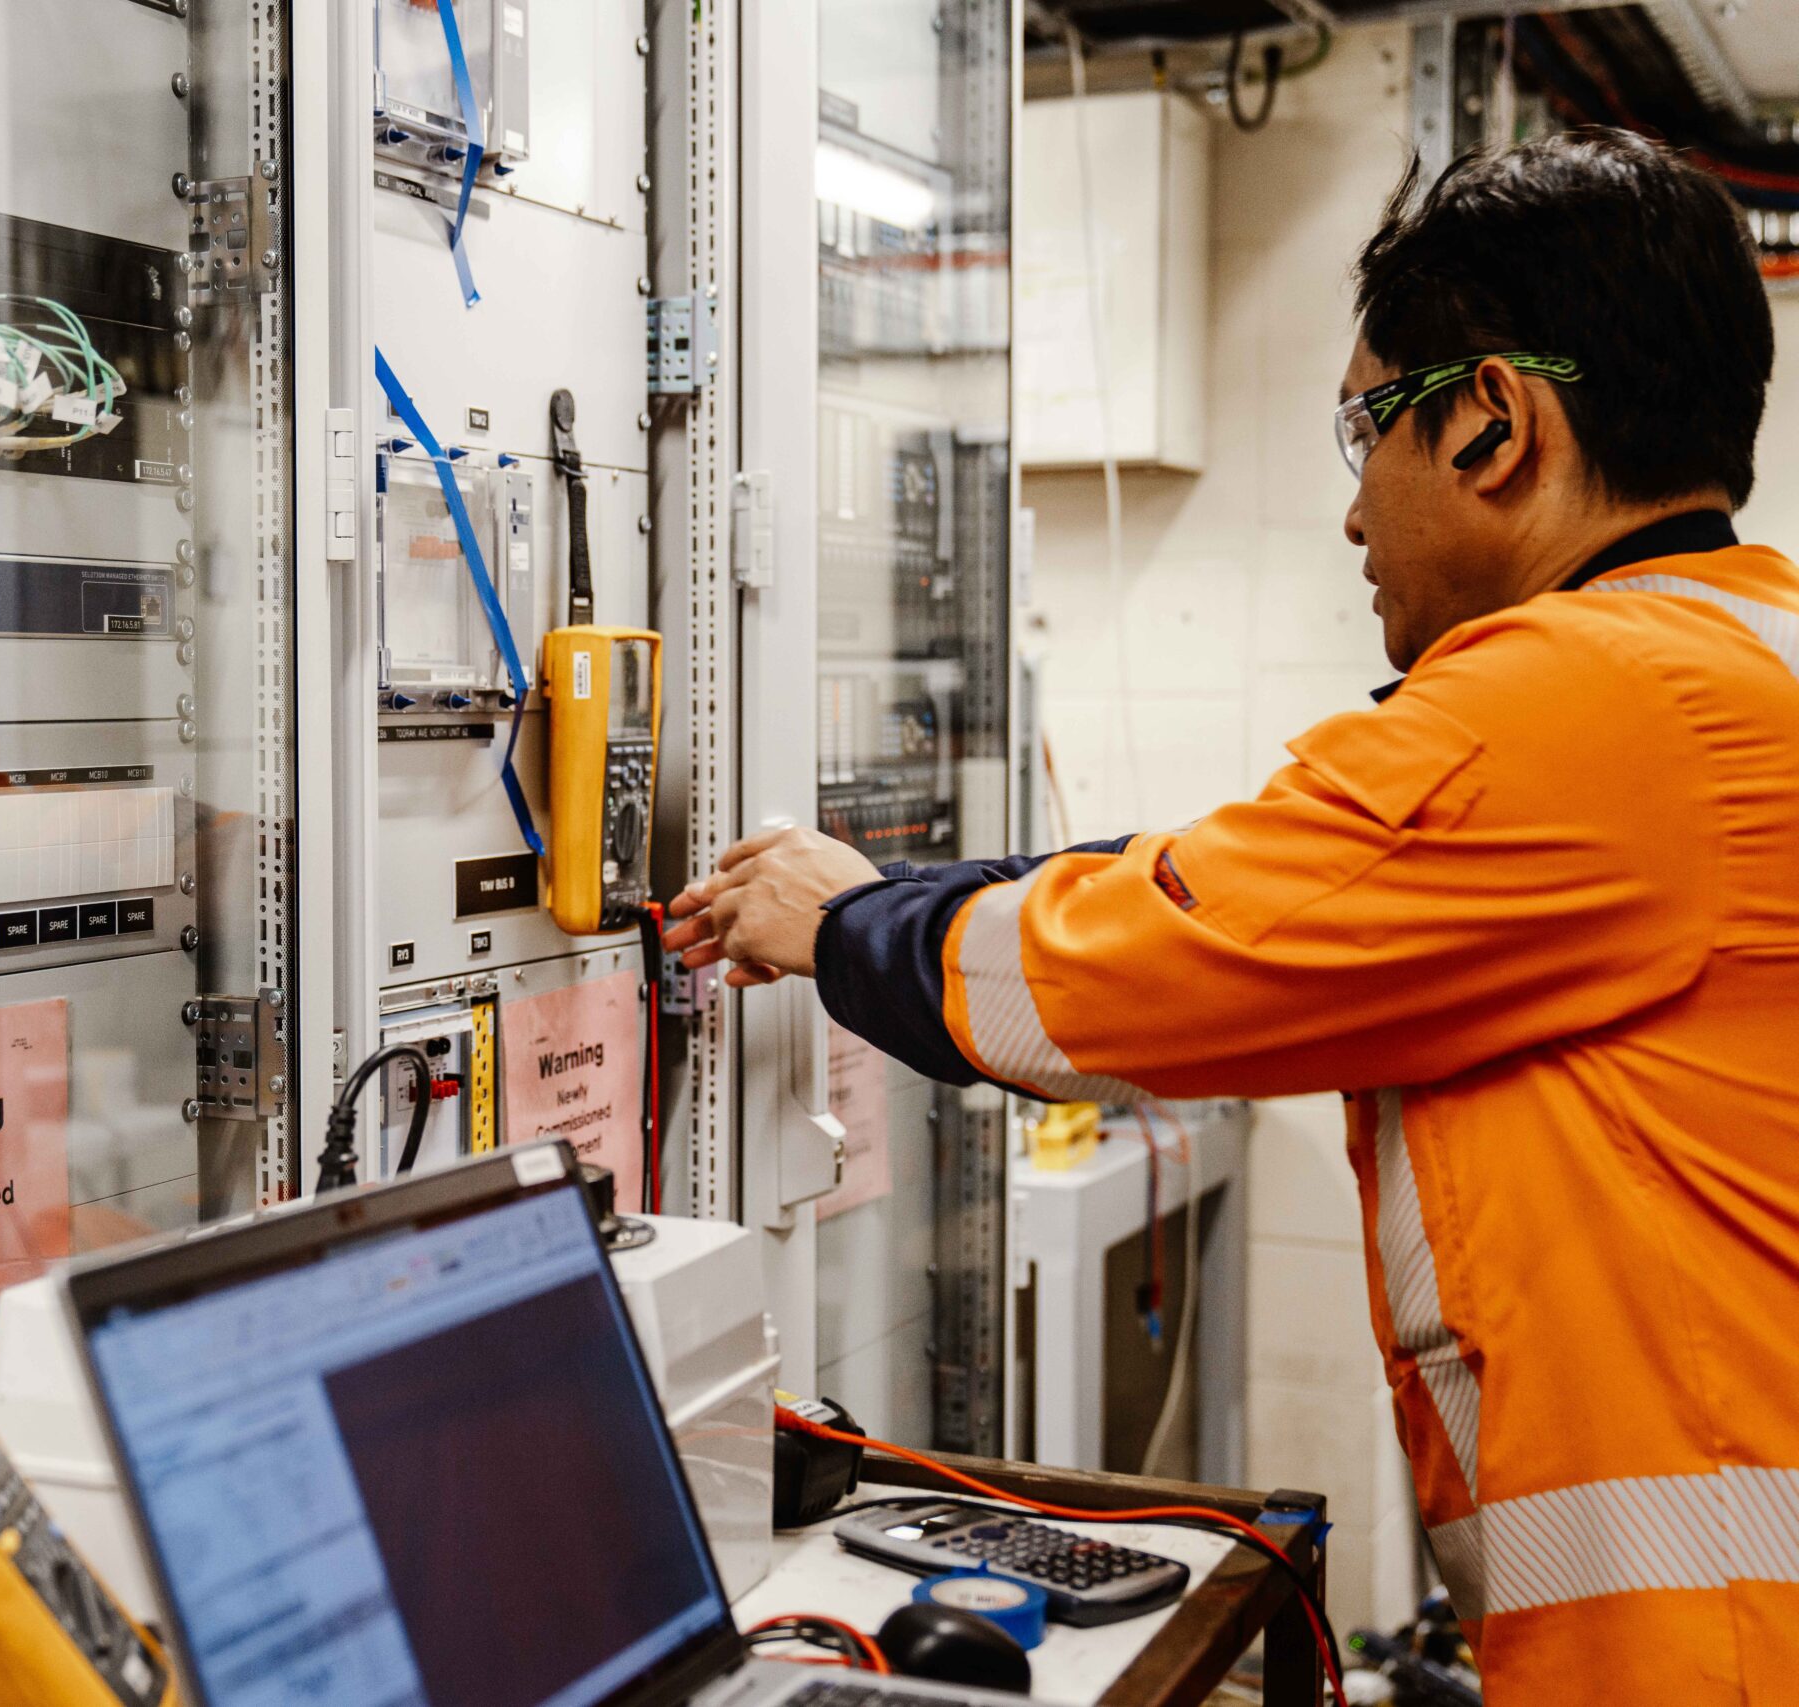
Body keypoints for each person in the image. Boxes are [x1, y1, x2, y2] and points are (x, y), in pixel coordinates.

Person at [666, 128, 1799, 1703]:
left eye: (1365, 431)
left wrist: (845, 924)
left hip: (1721, 1656)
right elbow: (1255, 871)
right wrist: (912, 890)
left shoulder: (1584, 701)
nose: (1353, 520)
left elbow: (1125, 976)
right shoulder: (1741, 657)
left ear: (1491, 424)